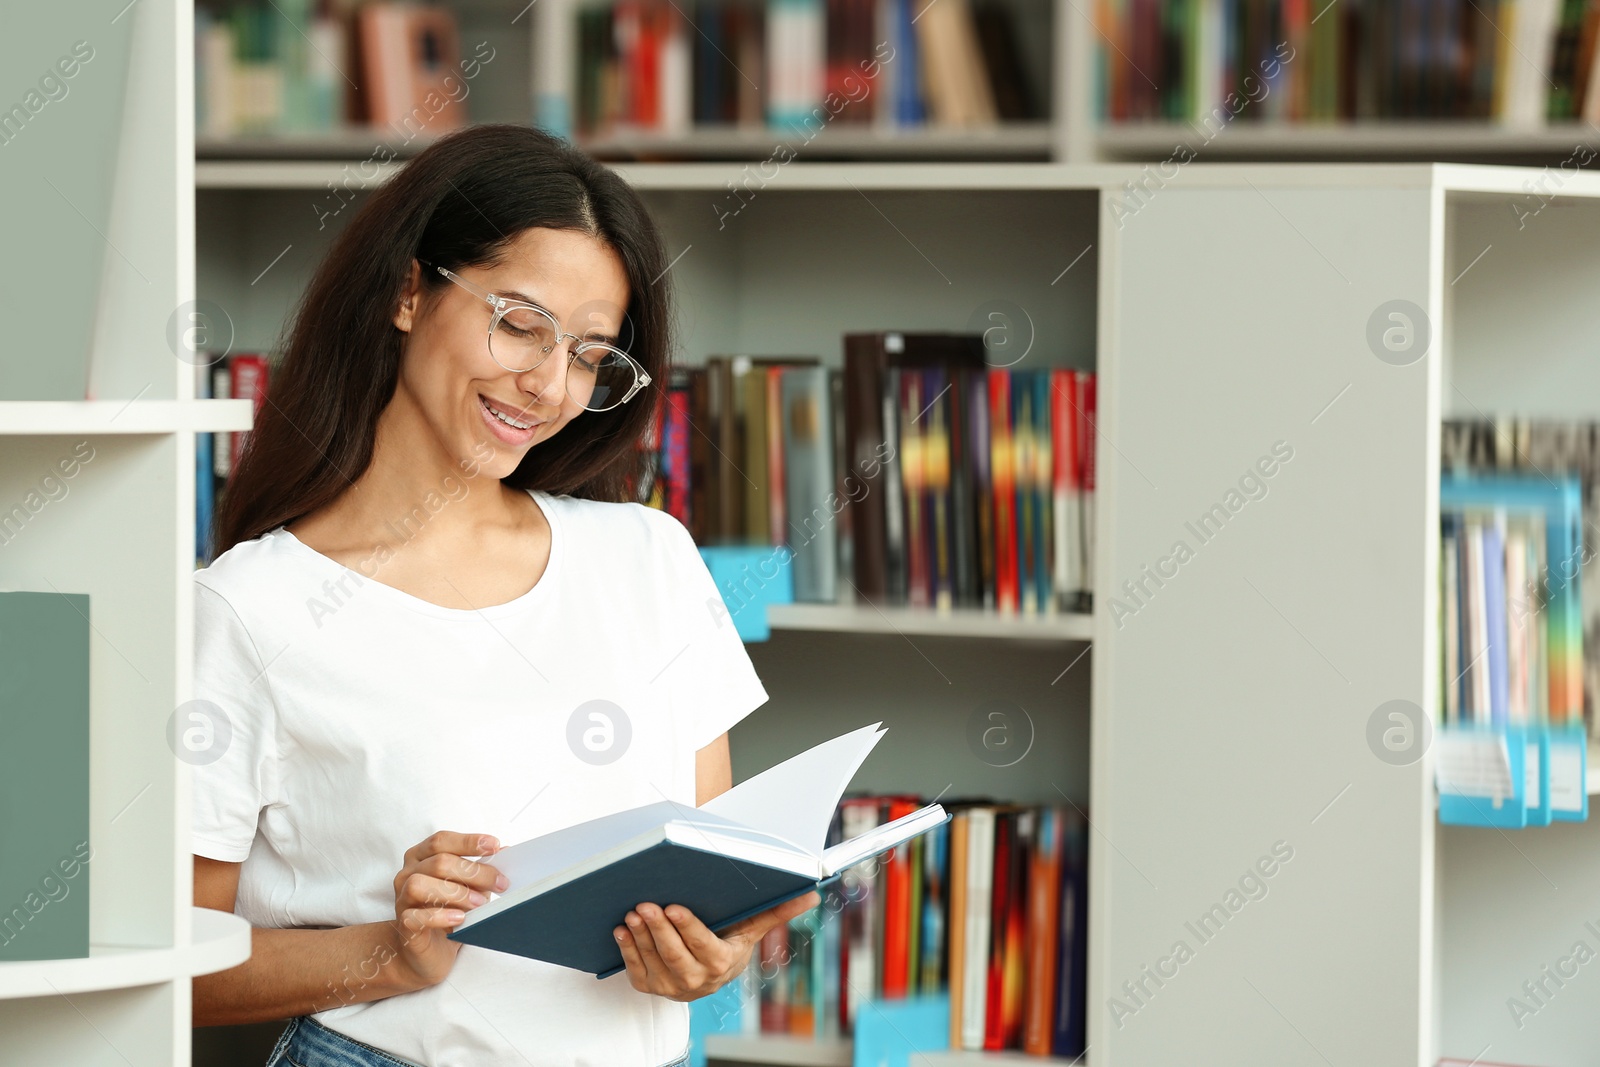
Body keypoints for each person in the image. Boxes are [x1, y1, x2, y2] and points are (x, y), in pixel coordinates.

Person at [190, 123, 818, 1067]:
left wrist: (708, 957)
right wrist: (388, 953)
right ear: (409, 291)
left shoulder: (647, 556)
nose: (546, 382)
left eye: (588, 352)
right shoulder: (252, 606)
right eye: (520, 323)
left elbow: (710, 877)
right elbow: (171, 967)